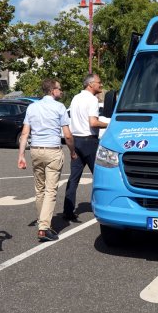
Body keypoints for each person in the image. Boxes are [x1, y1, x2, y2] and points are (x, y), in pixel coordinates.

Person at [18, 78, 76, 242]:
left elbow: (24, 133)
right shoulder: (59, 107)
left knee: (40, 189)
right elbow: (68, 135)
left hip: (35, 150)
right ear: (52, 90)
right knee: (51, 190)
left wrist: (21, 155)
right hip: (52, 150)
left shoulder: (32, 107)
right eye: (59, 88)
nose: (61, 91)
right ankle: (44, 228)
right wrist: (72, 151)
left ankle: (42, 220)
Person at [64, 73, 108, 220]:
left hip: (76, 140)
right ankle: (105, 207)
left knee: (74, 178)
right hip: (89, 142)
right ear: (90, 84)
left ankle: (68, 211)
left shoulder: (76, 98)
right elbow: (93, 123)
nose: (100, 84)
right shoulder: (92, 100)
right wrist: (109, 124)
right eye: (99, 82)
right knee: (101, 176)